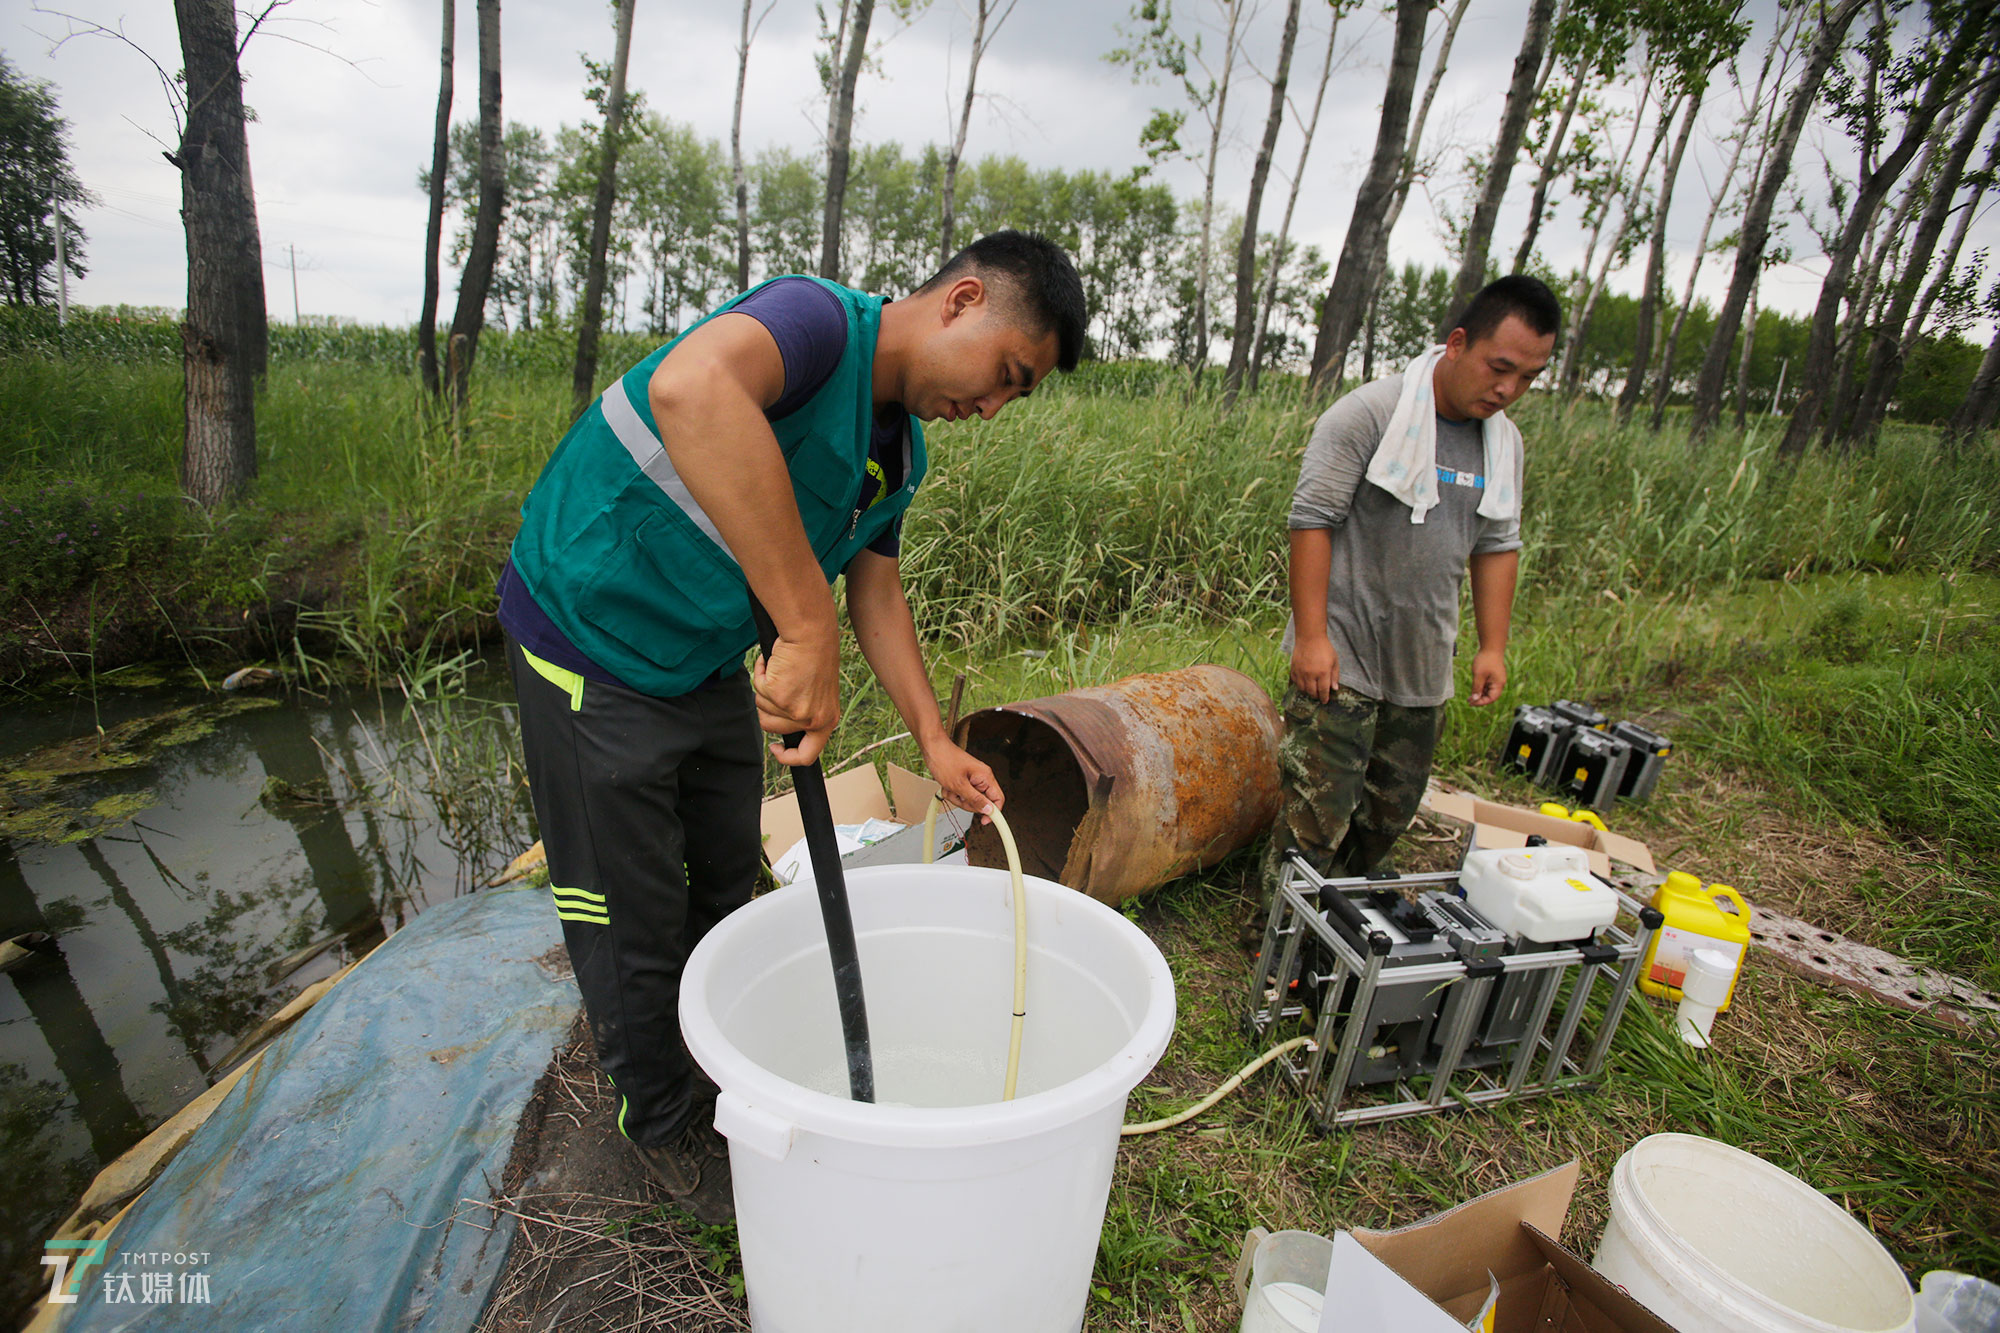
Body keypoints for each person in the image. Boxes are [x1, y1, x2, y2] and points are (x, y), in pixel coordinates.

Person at [499, 231, 1087, 1224]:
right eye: (1003, 374)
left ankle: (724, 1054)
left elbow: (878, 591)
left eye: (1010, 399)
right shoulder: (813, 324)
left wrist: (933, 741)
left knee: (728, 879)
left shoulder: (899, 450)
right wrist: (803, 625)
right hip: (590, 635)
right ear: (963, 300)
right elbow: (692, 391)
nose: (990, 408)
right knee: (628, 915)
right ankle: (656, 1126)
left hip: (697, 653)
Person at [1264, 275, 1561, 895]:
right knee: (1315, 818)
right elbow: (1312, 520)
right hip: (1342, 656)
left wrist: (1492, 646)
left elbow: (1497, 545)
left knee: (1386, 817)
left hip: (1423, 662)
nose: (1509, 389)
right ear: (1457, 343)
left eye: (1529, 377)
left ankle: (1336, 931)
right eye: (1499, 367)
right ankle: (1275, 946)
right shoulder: (1370, 415)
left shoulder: (1503, 444)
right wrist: (1312, 638)